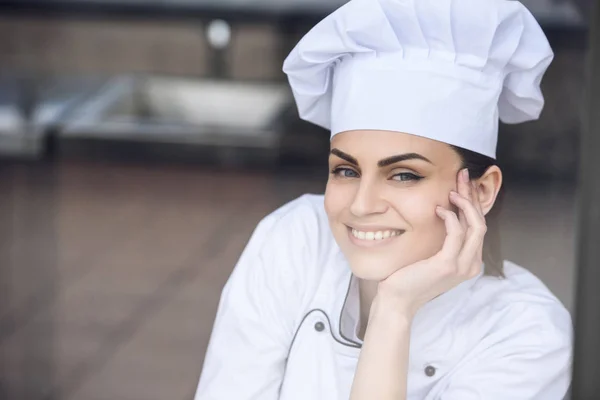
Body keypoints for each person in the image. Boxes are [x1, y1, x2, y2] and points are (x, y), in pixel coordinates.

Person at [194, 0, 573, 398]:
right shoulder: (296, 239)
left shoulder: (527, 333)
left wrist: (394, 310)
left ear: (481, 191)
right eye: (346, 170)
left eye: (404, 175)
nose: (361, 205)